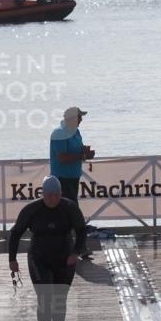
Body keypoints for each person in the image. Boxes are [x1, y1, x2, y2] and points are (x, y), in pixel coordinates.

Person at [8, 176, 86, 321]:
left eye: (57, 195)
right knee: (45, 300)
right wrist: (12, 259)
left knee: (60, 300)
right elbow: (16, 233)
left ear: (61, 194)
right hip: (39, 258)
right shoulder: (32, 210)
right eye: (50, 195)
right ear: (42, 194)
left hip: (65, 259)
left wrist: (75, 253)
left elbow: (82, 230)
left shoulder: (69, 208)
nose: (53, 199)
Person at [49, 106, 94, 258]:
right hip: (62, 178)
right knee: (72, 212)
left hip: (73, 177)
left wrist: (85, 153)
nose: (81, 120)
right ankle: (79, 247)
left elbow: (78, 150)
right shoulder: (59, 134)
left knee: (66, 213)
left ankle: (68, 246)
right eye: (79, 117)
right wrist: (81, 155)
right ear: (72, 119)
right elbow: (62, 158)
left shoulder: (76, 132)